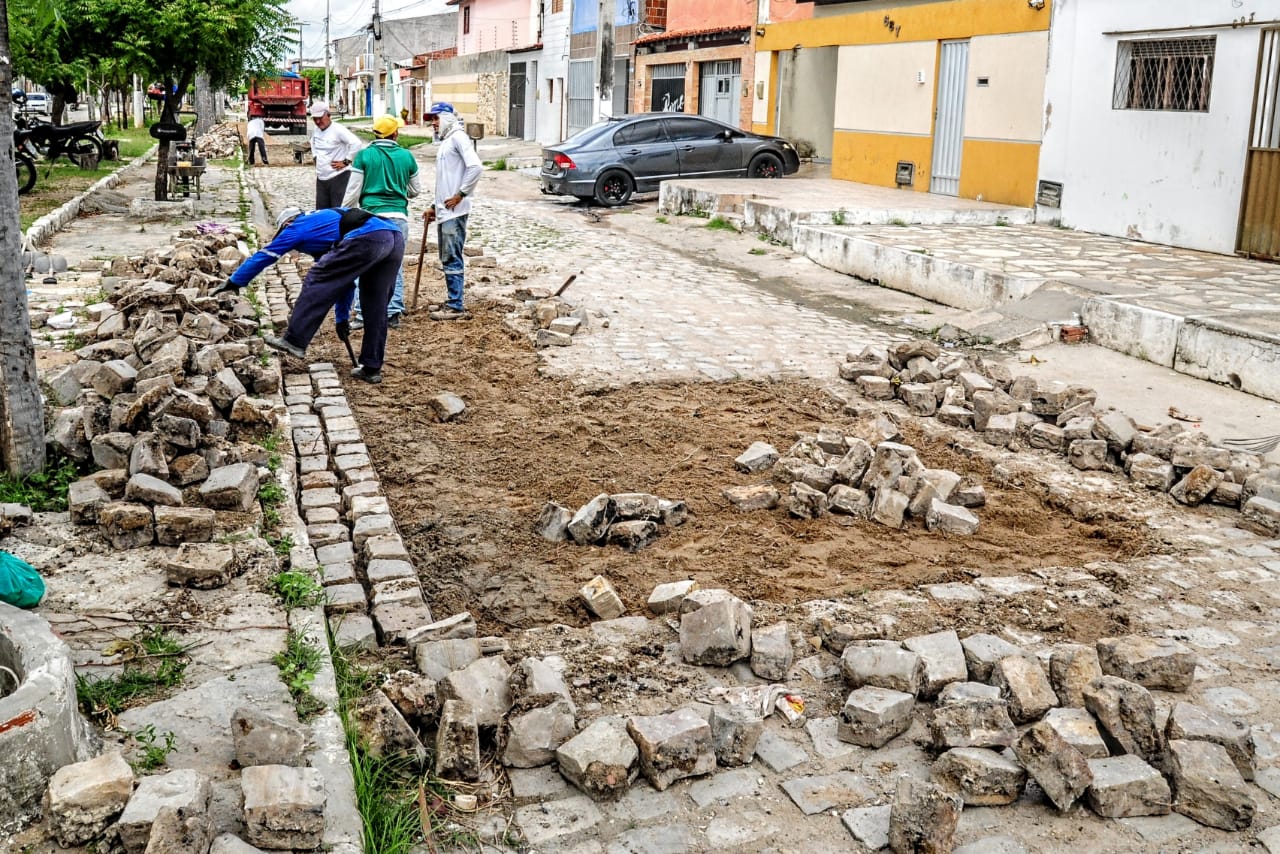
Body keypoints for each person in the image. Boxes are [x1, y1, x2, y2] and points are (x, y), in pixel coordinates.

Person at [216, 206, 406, 384]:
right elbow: (344, 282)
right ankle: (372, 368)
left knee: (316, 277)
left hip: (368, 237)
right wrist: (342, 319)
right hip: (393, 237)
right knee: (375, 304)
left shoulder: (297, 226)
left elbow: (266, 254)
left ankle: (294, 340)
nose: (296, 248)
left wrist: (235, 281)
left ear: (287, 224)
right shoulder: (326, 226)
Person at [342, 115, 421, 330]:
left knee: (364, 264)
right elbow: (415, 191)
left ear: (375, 134)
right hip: (398, 218)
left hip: (370, 218)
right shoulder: (407, 157)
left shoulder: (364, 156)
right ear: (395, 133)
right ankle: (393, 312)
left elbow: (353, 192)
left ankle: (361, 313)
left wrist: (344, 215)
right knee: (393, 266)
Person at [424, 102, 482, 321]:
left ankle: (456, 305)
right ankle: (452, 300)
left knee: (451, 256)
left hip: (454, 211)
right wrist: (433, 206)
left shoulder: (458, 138)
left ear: (447, 117)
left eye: (436, 119)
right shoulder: (447, 141)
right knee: (446, 256)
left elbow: (475, 167)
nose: (433, 124)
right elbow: (445, 181)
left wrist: (461, 194)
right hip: (445, 210)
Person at [308, 100, 363, 208]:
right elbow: (312, 142)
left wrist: (346, 161)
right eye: (315, 119)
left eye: (320, 118)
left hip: (338, 177)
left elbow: (356, 143)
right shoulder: (316, 130)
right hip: (321, 178)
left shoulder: (338, 129)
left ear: (328, 115)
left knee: (337, 211)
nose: (318, 122)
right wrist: (315, 157)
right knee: (322, 213)